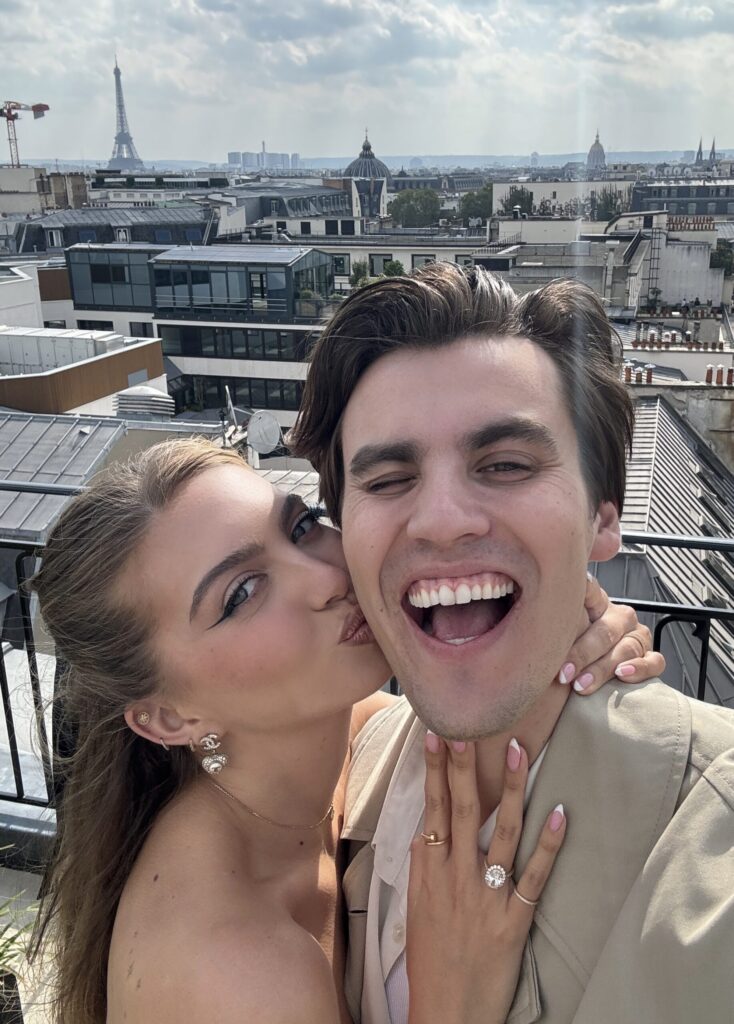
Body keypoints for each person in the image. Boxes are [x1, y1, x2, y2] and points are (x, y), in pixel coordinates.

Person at [28, 440, 659, 1024]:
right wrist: (450, 1001)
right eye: (242, 593)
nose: (329, 577)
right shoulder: (233, 972)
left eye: (301, 526)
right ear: (171, 718)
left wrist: (572, 634)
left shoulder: (333, 742)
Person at [289, 263, 734, 1024]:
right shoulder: (347, 776)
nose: (441, 520)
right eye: (388, 479)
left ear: (603, 518)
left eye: (505, 465)